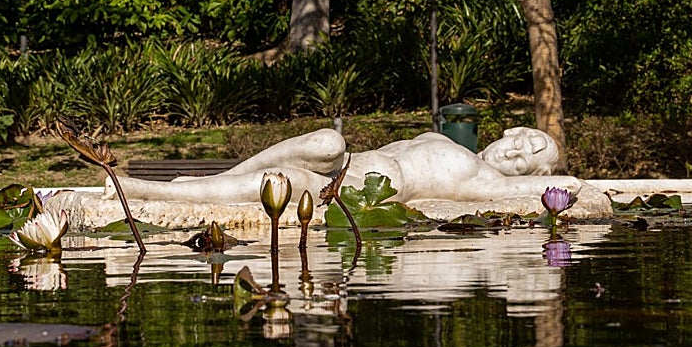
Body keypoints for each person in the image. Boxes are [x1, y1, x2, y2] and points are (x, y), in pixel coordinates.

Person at [106, 126, 603, 210]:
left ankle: (142, 191)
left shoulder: (488, 182)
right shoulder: (451, 143)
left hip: (360, 189)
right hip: (347, 161)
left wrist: (556, 180)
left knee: (278, 184)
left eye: (526, 158)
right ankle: (215, 178)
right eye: (522, 142)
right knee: (327, 141)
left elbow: (572, 184)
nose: (513, 152)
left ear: (530, 177)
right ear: (512, 130)